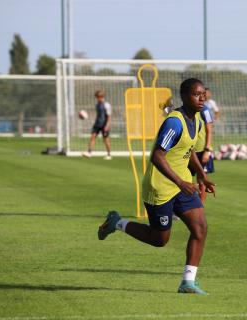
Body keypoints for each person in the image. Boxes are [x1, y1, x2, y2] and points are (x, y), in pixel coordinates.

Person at [97, 78, 216, 295]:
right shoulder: (175, 122)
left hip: (183, 185)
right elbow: (157, 156)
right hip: (160, 186)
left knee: (201, 229)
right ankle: (117, 222)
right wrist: (180, 182)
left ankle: (188, 282)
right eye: (196, 94)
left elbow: (188, 152)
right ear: (185, 97)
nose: (202, 98)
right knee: (159, 239)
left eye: (203, 94)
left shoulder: (198, 121)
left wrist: (201, 175)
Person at [192, 92, 215, 203]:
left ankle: (200, 207)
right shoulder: (188, 110)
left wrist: (207, 150)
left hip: (202, 150)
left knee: (202, 180)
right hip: (190, 151)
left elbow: (209, 130)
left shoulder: (205, 110)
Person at [82, 90, 112, 160]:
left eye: (98, 97)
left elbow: (109, 116)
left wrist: (107, 125)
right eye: (96, 97)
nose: (97, 98)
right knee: (92, 137)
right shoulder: (97, 105)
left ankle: (109, 154)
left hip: (104, 125)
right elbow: (98, 115)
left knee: (106, 140)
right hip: (97, 124)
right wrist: (95, 122)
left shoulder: (106, 105)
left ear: (102, 97)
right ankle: (89, 153)